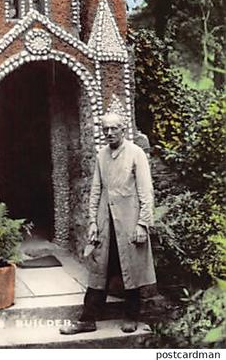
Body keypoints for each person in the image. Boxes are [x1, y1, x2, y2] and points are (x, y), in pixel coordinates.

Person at [61, 112, 156, 335]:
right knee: (98, 269)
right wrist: (92, 221)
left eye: (114, 129)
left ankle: (131, 316)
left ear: (123, 129)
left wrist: (143, 224)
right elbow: (96, 190)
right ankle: (87, 320)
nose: (109, 133)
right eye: (105, 129)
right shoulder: (101, 156)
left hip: (130, 223)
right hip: (106, 222)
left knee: (130, 269)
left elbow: (146, 191)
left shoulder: (136, 154)